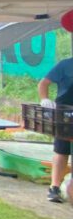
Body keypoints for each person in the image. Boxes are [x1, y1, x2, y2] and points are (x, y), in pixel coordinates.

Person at [40, 56, 73, 203]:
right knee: (61, 151)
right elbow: (43, 83)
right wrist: (44, 99)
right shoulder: (65, 65)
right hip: (65, 114)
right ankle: (54, 188)